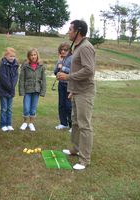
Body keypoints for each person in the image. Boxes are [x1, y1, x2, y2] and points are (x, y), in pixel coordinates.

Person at [57, 20, 96, 170]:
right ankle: (75, 149)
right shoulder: (78, 46)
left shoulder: (86, 47)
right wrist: (72, 88)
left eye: (70, 29)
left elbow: (88, 70)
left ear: (78, 31)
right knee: (75, 122)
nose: (68, 32)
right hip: (77, 90)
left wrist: (68, 77)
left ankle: (84, 159)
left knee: (84, 125)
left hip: (85, 92)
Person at [19, 48, 46, 132]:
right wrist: (21, 91)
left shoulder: (41, 66)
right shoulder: (25, 66)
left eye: (35, 55)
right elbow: (21, 79)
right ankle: (25, 122)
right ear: (29, 56)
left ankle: (31, 123)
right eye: (31, 55)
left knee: (33, 108)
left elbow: (44, 80)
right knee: (26, 107)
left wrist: (43, 91)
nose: (33, 56)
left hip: (36, 90)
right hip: (27, 90)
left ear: (37, 55)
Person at [0, 47, 19, 132]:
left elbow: (16, 76)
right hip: (3, 90)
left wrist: (13, 86)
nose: (12, 58)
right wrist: (10, 86)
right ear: (5, 56)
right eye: (10, 56)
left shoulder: (16, 65)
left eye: (13, 56)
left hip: (11, 90)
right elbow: (3, 78)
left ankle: (9, 124)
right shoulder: (2, 65)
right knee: (4, 108)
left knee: (9, 109)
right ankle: (3, 125)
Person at [53, 42, 72, 132]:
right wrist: (59, 63)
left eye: (65, 50)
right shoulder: (60, 59)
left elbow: (73, 71)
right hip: (61, 84)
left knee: (69, 106)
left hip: (69, 85)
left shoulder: (72, 59)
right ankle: (63, 123)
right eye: (61, 50)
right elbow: (55, 71)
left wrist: (63, 68)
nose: (63, 51)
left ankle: (72, 125)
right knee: (61, 105)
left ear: (69, 50)